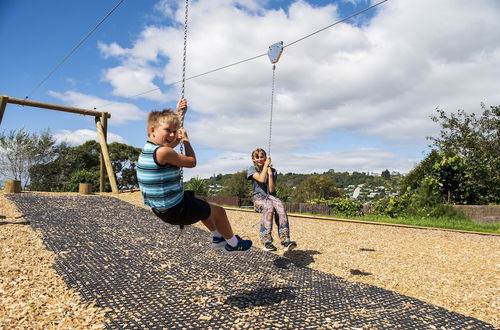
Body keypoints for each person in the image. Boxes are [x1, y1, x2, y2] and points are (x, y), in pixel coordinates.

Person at [136, 99, 252, 252]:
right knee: (220, 212)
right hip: (176, 209)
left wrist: (180, 114)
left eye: (174, 130)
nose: (172, 134)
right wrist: (186, 141)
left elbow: (171, 142)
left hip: (163, 208)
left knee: (202, 202)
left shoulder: (149, 149)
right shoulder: (163, 152)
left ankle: (218, 237)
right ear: (152, 130)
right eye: (167, 130)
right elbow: (191, 162)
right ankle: (233, 244)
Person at [247, 148, 297, 252]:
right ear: (253, 159)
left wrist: (270, 174)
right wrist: (266, 167)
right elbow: (260, 179)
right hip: (259, 198)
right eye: (257, 157)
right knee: (268, 207)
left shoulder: (273, 171)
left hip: (271, 197)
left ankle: (286, 241)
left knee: (281, 208)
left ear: (266, 157)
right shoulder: (252, 169)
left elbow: (271, 189)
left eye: (262, 156)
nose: (260, 159)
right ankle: (266, 242)